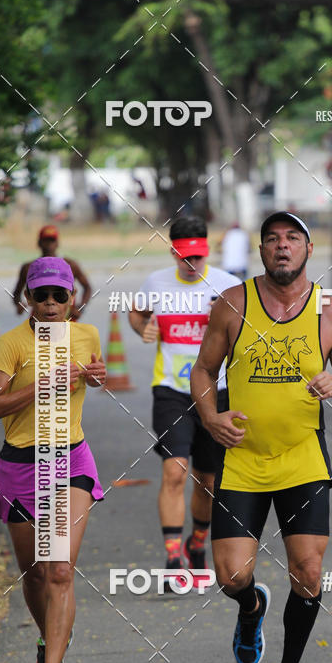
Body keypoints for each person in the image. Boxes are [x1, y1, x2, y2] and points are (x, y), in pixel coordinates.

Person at [191, 211, 332, 663]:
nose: (282, 246)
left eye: (292, 238)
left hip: (302, 461)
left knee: (308, 572)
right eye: (271, 239)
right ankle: (251, 608)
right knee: (229, 576)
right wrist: (210, 417)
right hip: (243, 459)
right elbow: (204, 370)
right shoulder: (233, 305)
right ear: (262, 251)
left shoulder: (331, 315)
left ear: (308, 250)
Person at [0, 257, 106, 663]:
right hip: (19, 466)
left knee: (59, 571)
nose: (51, 305)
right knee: (34, 573)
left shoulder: (86, 335)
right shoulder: (12, 343)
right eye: (41, 296)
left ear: (72, 299)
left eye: (60, 296)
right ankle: (48, 637)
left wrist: (97, 377)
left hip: (69, 459)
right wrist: (41, 385)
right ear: (28, 299)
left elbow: (94, 375)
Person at [128, 217, 240, 578]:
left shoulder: (229, 286)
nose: (192, 265)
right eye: (184, 258)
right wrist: (141, 327)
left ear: (207, 251)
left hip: (216, 394)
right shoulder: (156, 282)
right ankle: (173, 557)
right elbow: (136, 311)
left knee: (207, 481)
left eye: (198, 257)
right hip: (171, 392)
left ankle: (198, 541)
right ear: (173, 252)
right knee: (174, 472)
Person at [12, 226, 92, 321]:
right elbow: (17, 292)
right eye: (45, 241)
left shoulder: (70, 265)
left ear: (57, 243)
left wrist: (80, 308)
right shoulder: (29, 268)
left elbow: (87, 287)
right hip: (39, 319)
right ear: (39, 243)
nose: (49, 245)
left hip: (67, 318)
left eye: (52, 241)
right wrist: (19, 304)